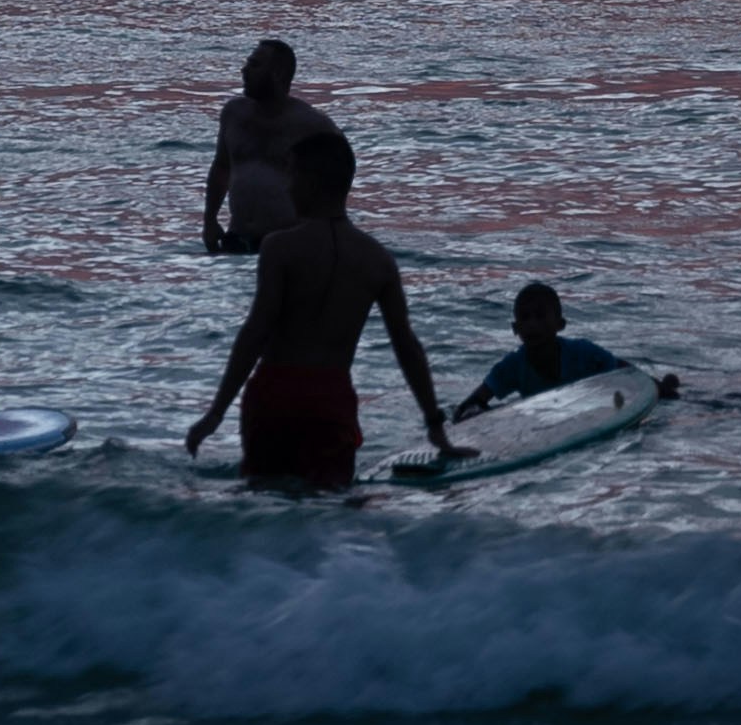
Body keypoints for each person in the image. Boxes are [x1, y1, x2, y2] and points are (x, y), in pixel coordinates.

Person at [189, 133, 449, 489]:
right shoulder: (377, 259)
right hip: (330, 401)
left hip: (274, 395)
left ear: (311, 182)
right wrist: (435, 423)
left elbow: (256, 331)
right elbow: (406, 346)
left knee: (263, 503)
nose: (286, 189)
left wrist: (215, 413)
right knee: (334, 506)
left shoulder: (280, 247)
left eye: (291, 177)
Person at [202, 38, 348, 256]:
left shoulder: (312, 124)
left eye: (255, 65)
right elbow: (222, 168)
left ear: (278, 74)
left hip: (289, 243)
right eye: (248, 63)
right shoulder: (233, 114)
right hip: (237, 240)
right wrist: (210, 220)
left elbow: (340, 175)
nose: (244, 70)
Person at [456, 280, 663, 419]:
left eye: (540, 316)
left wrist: (658, 388)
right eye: (525, 318)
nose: (532, 325)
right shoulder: (511, 367)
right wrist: (472, 414)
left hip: (587, 413)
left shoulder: (583, 353)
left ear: (560, 324)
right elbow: (474, 402)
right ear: (515, 329)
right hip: (539, 421)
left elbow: (625, 372)